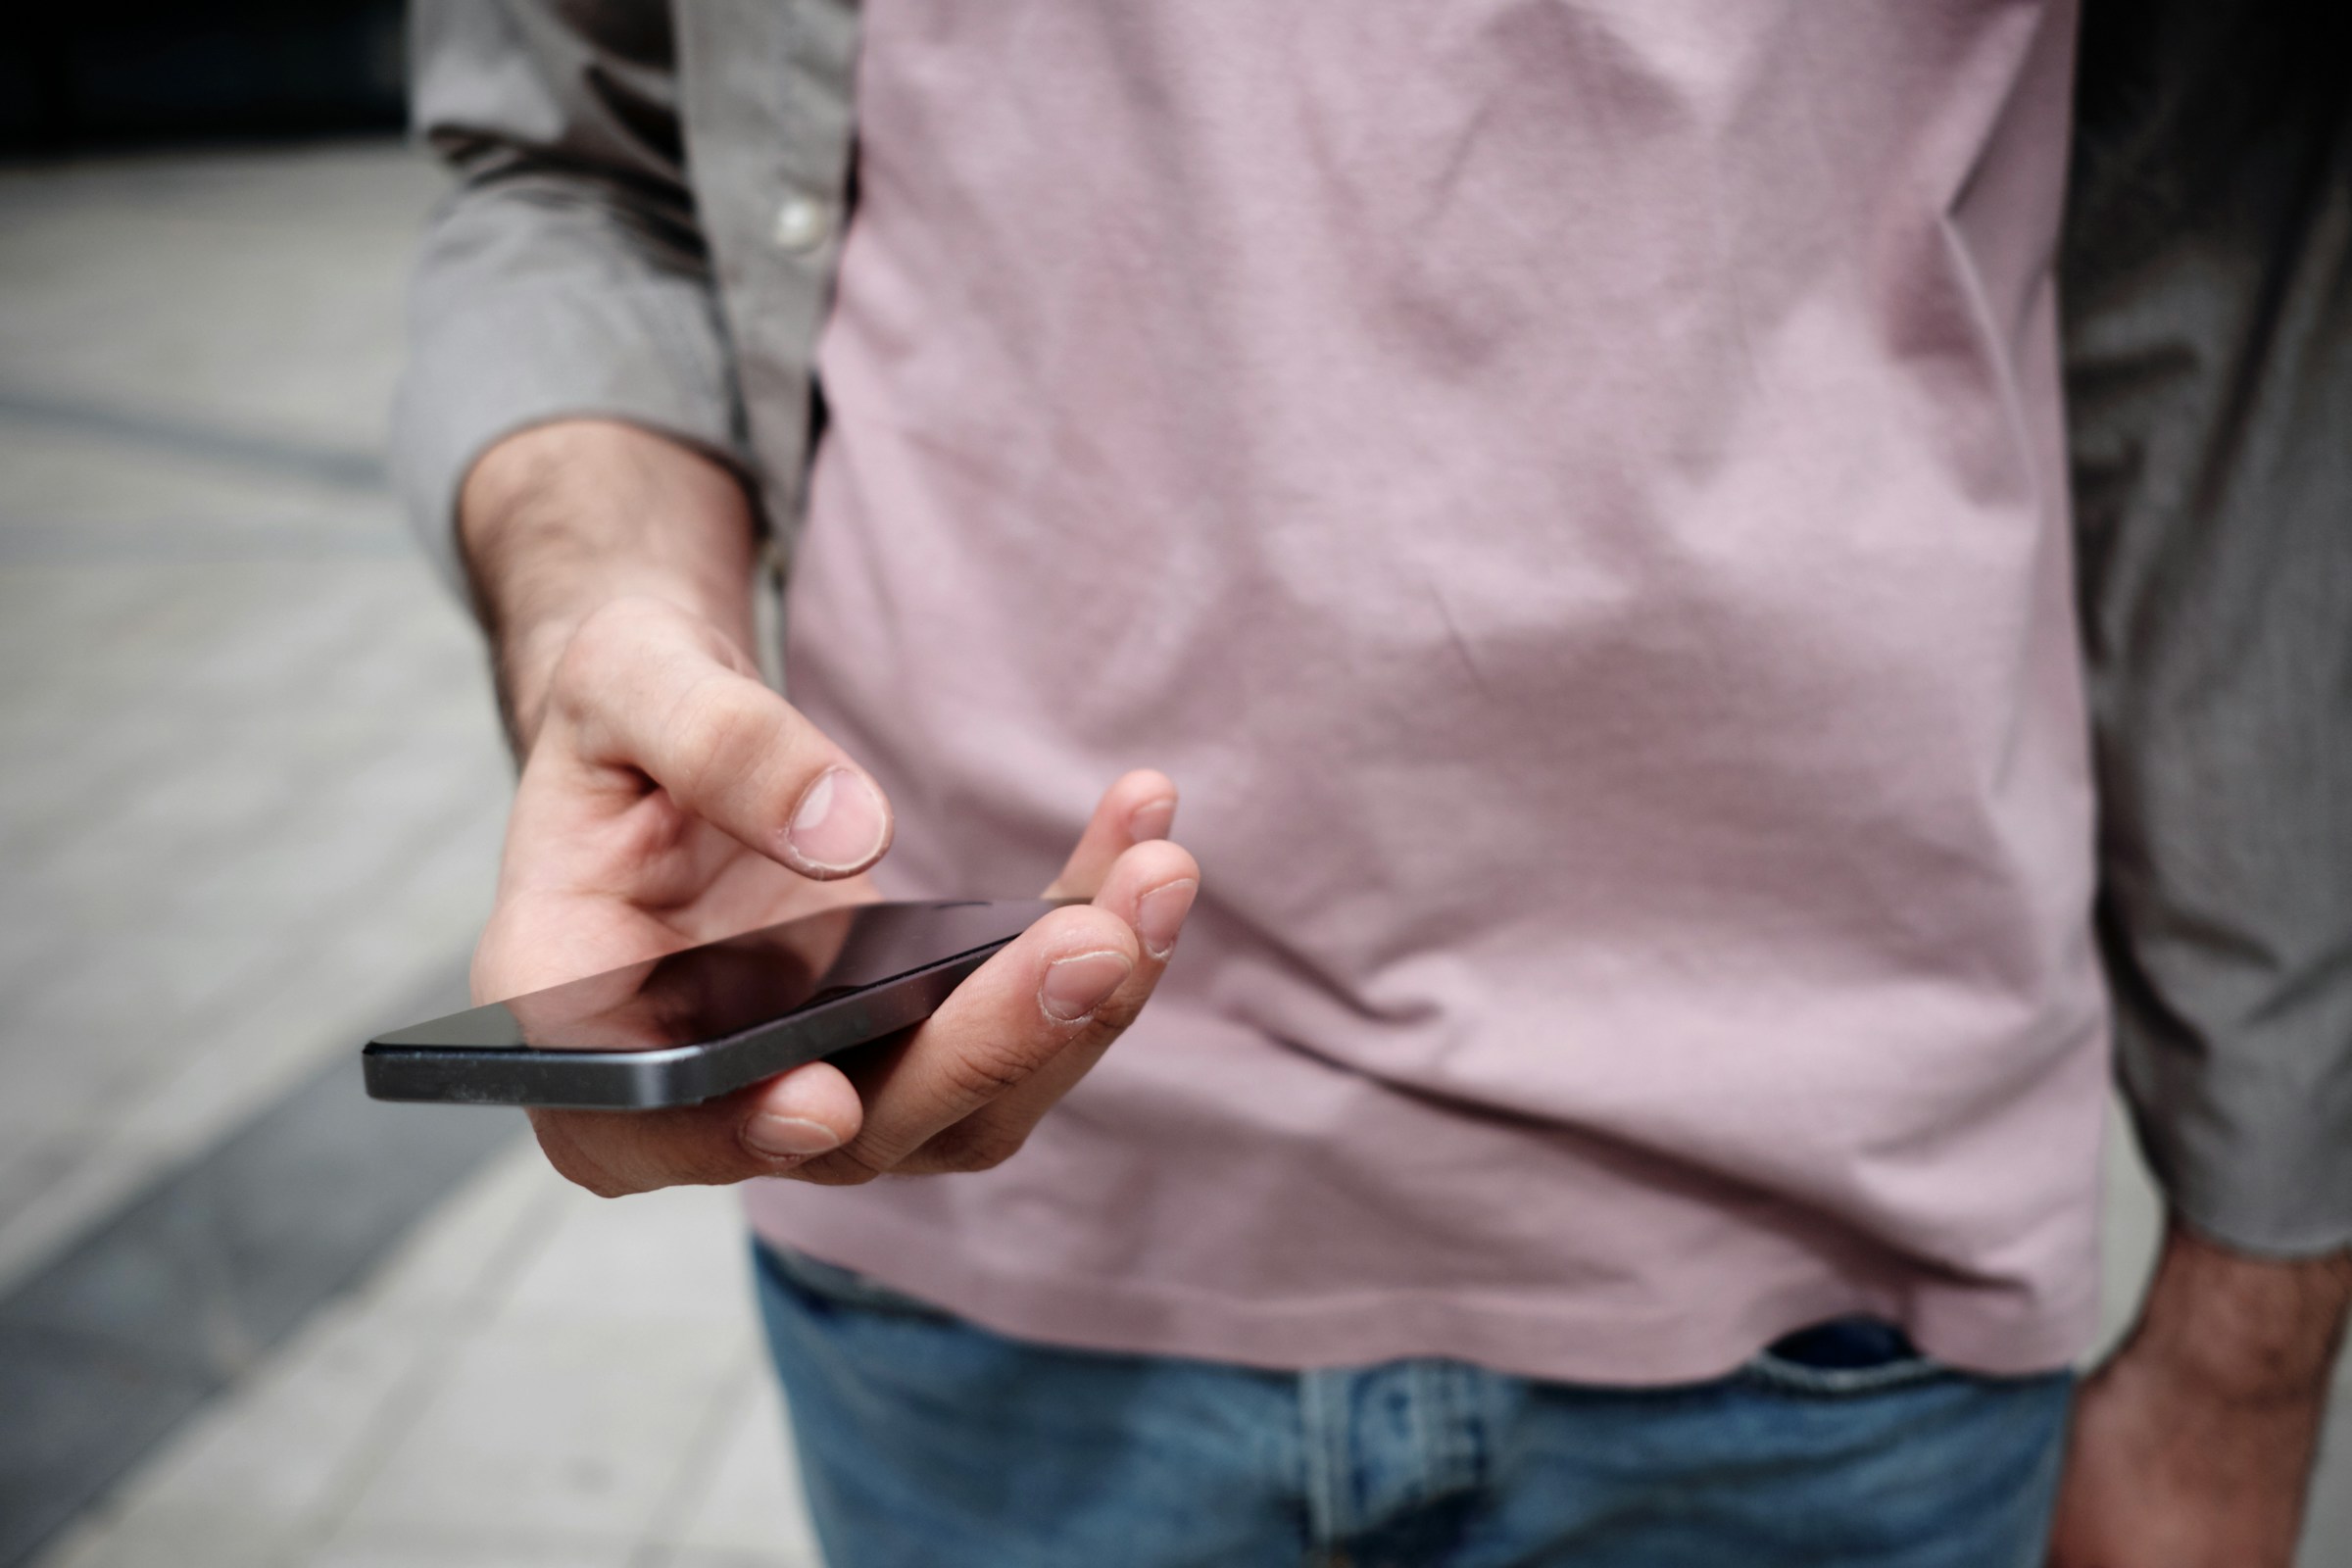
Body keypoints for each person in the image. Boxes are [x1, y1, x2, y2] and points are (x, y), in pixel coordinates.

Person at [393, 2, 2350, 1563]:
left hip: (1833, 1288)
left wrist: (2250, 1341)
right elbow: (578, 165)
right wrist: (609, 625)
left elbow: (2228, 257)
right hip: (964, 1258)